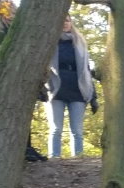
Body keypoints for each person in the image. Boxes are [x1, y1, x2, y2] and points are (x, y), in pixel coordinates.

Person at [45, 16, 97, 158]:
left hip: (78, 89)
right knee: (56, 129)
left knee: (77, 130)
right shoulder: (50, 43)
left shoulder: (80, 44)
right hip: (55, 88)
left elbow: (86, 70)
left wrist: (93, 97)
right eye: (62, 20)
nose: (65, 23)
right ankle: (54, 157)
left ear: (71, 23)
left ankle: (78, 160)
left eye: (67, 20)